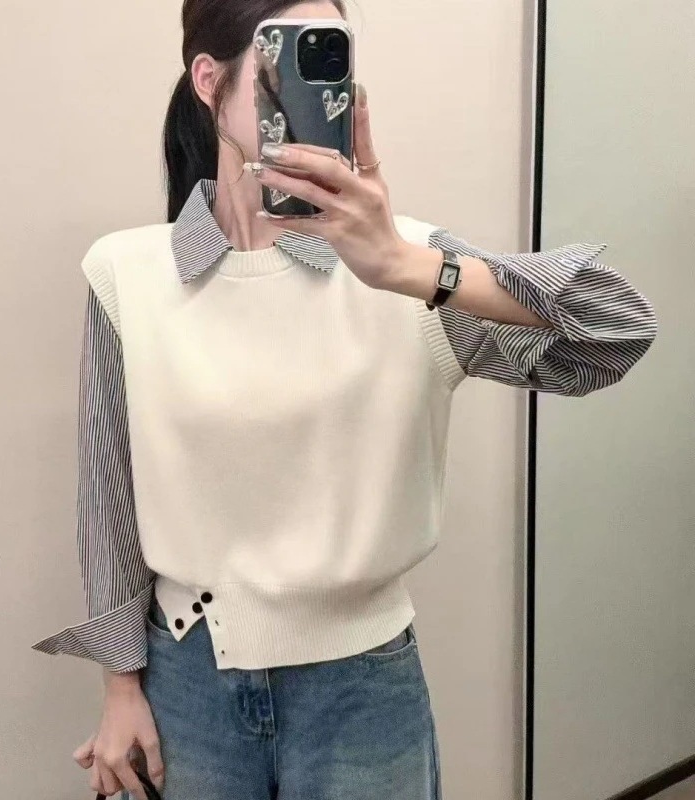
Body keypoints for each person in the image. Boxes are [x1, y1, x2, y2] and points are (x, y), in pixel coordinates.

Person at [33, 0, 658, 798]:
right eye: (285, 61)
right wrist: (120, 685)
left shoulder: (409, 267)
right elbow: (109, 500)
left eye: (329, 59)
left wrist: (405, 266)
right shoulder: (126, 274)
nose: (312, 95)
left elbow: (617, 331)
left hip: (364, 690)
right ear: (208, 81)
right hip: (187, 684)